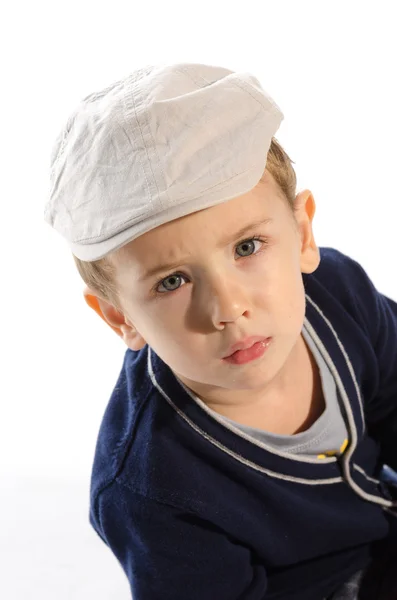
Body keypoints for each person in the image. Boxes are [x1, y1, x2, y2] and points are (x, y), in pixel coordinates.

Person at [44, 63, 397, 599]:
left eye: (247, 247)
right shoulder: (154, 486)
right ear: (122, 317)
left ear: (302, 233)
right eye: (173, 281)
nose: (228, 308)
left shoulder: (337, 294)